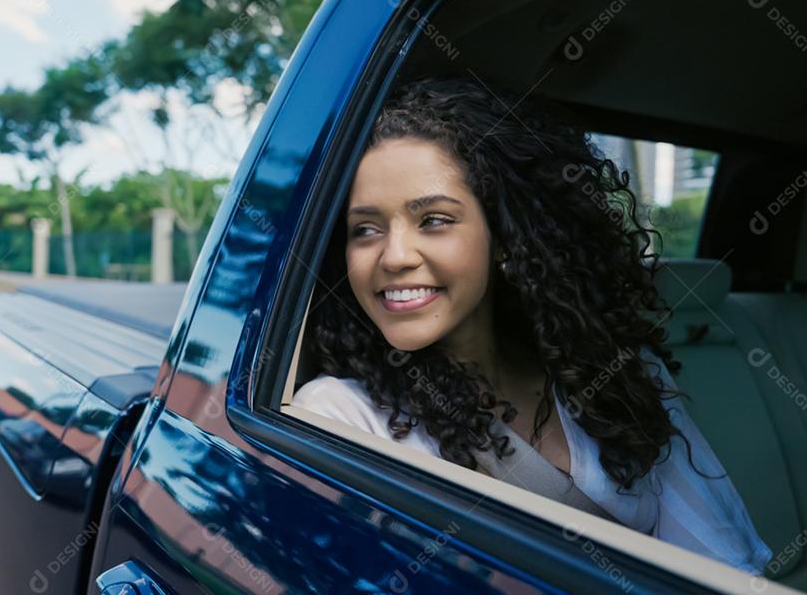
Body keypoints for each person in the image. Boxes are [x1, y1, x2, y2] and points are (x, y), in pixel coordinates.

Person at [292, 77, 771, 574]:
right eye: (365, 229)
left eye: (433, 219)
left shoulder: (619, 377)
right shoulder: (340, 418)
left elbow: (722, 569)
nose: (393, 257)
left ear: (503, 237)